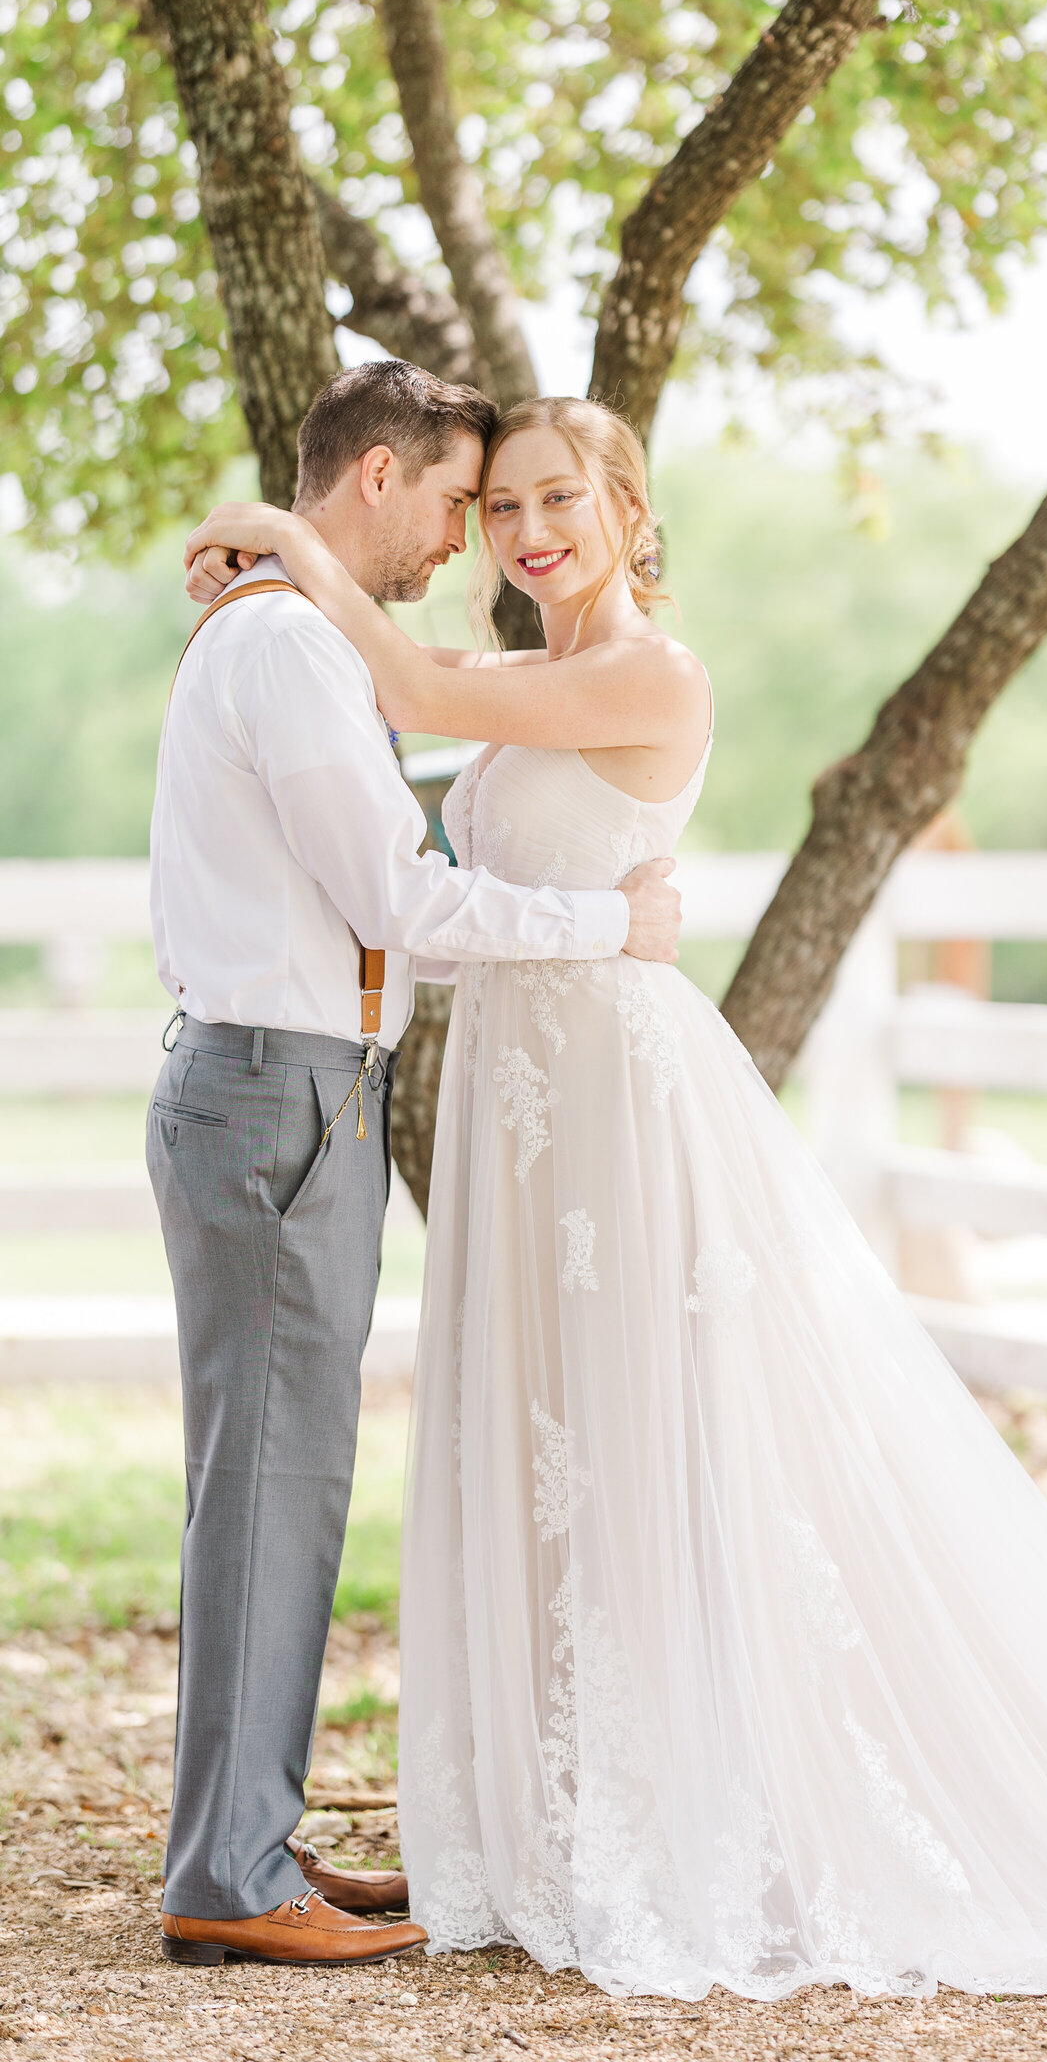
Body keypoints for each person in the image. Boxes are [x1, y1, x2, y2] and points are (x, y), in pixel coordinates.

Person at [182, 393, 1047, 2004]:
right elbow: (387, 713)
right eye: (498, 508)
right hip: (522, 1105)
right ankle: (548, 1820)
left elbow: (409, 676)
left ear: (628, 512)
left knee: (644, 1434)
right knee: (539, 1435)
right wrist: (256, 575)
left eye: (556, 498)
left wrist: (288, 540)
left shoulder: (654, 673)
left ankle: (683, 1811)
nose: (523, 533)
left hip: (619, 1102)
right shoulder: (520, 686)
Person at [149, 363, 680, 1970]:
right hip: (276, 1095)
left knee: (280, 1479)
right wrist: (612, 924)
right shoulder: (295, 649)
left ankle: (248, 1843)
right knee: (270, 1483)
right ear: (379, 477)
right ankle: (231, 1879)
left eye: (527, 505)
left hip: (289, 1091)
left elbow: (430, 701)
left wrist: (267, 535)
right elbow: (404, 900)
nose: (473, 538)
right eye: (464, 500)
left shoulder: (292, 636)